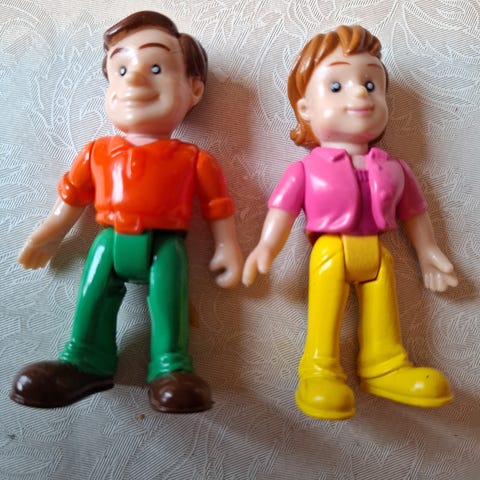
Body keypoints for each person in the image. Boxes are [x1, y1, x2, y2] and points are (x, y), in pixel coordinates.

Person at [11, 11, 243, 413]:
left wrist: (227, 247)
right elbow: (72, 198)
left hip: (165, 247)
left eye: (155, 68)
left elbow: (216, 207)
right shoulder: (96, 153)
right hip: (110, 240)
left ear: (194, 89)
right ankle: (86, 359)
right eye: (120, 70)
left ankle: (171, 367)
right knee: (93, 295)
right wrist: (50, 233)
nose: (134, 80)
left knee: (169, 302)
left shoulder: (194, 159)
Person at [243, 25, 458, 420]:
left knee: (383, 306)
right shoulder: (306, 169)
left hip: (377, 252)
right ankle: (319, 370)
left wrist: (428, 252)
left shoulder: (394, 167)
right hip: (329, 251)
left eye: (371, 85)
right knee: (325, 310)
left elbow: (414, 213)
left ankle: (385, 365)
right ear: (305, 108)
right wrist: (265, 249)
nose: (360, 94)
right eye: (336, 86)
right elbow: (282, 212)